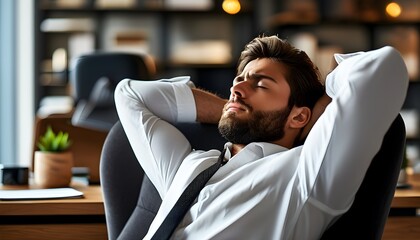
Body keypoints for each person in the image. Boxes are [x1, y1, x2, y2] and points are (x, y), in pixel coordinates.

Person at [114, 35, 408, 239]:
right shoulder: (189, 165)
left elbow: (385, 68)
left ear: (299, 116)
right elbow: (129, 94)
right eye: (239, 81)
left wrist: (322, 106)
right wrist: (233, 110)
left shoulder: (304, 175)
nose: (236, 89)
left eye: (261, 85)